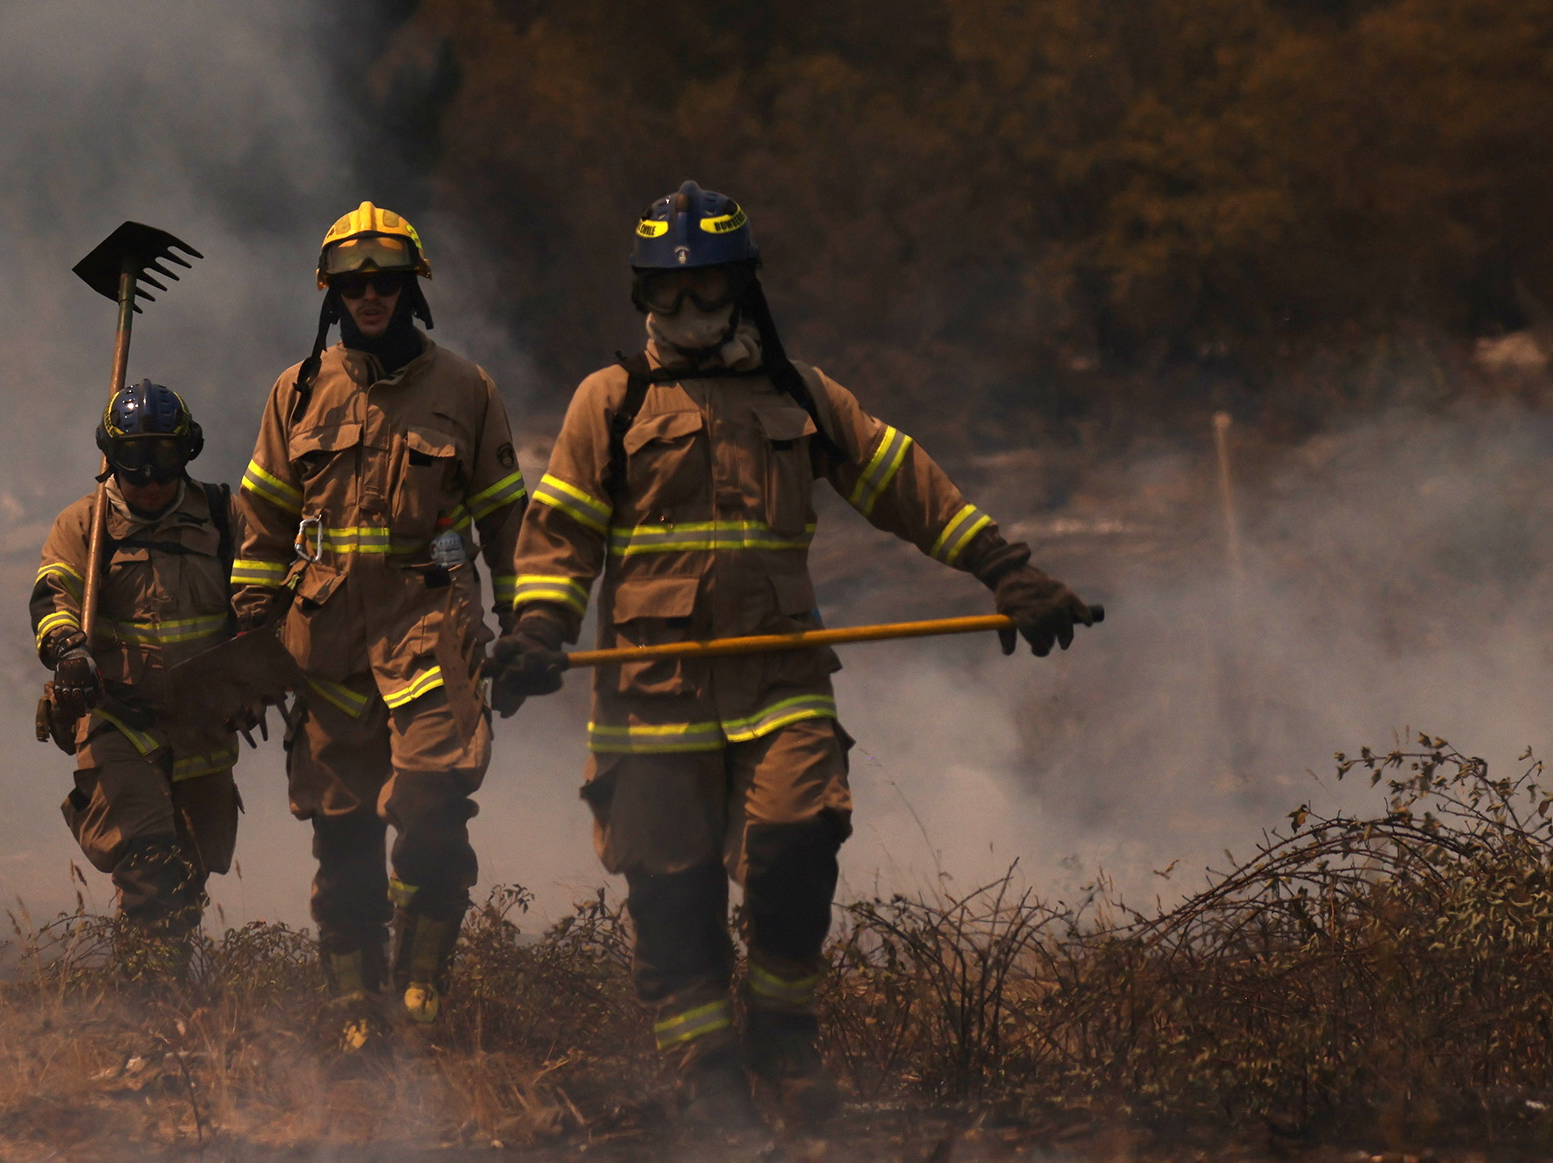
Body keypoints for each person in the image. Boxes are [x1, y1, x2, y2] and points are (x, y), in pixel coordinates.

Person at [487, 182, 1102, 1133]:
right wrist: (537, 632)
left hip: (781, 682)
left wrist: (1003, 569)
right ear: (641, 296)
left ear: (742, 288)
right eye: (665, 296)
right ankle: (709, 1074)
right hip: (653, 701)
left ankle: (782, 1032)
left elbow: (902, 481)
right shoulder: (607, 403)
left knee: (798, 837)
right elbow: (560, 532)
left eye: (706, 293)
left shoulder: (802, 394)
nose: (686, 316)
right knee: (675, 893)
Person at [228, 202, 529, 1045]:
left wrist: (531, 620)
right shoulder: (295, 393)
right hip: (324, 645)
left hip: (429, 632)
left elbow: (508, 521)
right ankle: (353, 1008)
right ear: (331, 292)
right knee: (341, 827)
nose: (370, 296)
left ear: (410, 289)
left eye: (385, 281)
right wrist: (254, 635)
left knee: (432, 805)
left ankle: (422, 979)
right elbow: (261, 525)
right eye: (354, 284)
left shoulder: (465, 389)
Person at [27, 380, 247, 981]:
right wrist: (67, 649)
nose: (150, 478)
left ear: (189, 452)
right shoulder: (84, 526)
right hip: (119, 719)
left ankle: (162, 995)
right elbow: (52, 594)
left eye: (165, 460)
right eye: (133, 463)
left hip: (204, 727)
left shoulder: (227, 519)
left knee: (186, 876)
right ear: (111, 459)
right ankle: (148, 1013)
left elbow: (268, 602)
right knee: (150, 860)